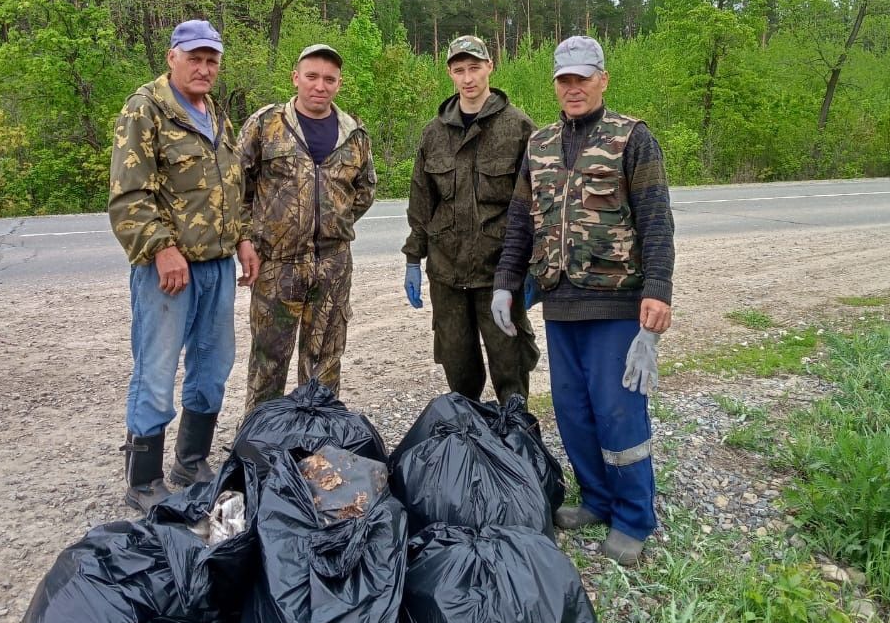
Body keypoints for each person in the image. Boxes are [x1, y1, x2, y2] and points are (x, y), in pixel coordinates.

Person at [491, 35, 675, 566]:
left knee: (618, 411)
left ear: (602, 79)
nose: (573, 88)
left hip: (617, 304)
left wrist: (658, 292)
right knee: (573, 411)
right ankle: (595, 498)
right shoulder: (540, 144)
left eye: (583, 78)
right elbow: (521, 223)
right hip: (559, 303)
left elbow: (657, 221)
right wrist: (507, 281)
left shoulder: (632, 138)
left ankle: (634, 516)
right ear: (555, 84)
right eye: (564, 80)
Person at [108, 19, 259, 513]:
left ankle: (191, 460)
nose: (204, 68)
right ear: (172, 57)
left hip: (217, 265)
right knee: (156, 368)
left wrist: (243, 239)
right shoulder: (145, 109)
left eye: (211, 59)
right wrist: (160, 249)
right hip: (167, 270)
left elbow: (229, 186)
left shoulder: (215, 114)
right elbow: (130, 194)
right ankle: (144, 478)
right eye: (194, 57)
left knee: (214, 366)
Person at [237, 43, 377, 414]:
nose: (320, 86)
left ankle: (316, 440)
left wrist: (331, 223)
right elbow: (236, 185)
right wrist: (247, 236)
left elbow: (364, 191)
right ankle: (259, 444)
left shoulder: (354, 134)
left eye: (329, 79)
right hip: (278, 264)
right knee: (269, 360)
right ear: (295, 77)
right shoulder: (266, 125)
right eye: (312, 76)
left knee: (325, 362)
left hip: (332, 264)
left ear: (339, 84)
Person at [402, 34, 539, 402]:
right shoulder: (433, 134)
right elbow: (421, 203)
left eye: (475, 68)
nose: (468, 78)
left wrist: (535, 265)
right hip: (446, 273)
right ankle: (470, 438)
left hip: (500, 272)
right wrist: (413, 259)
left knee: (509, 362)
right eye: (459, 70)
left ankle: (516, 432)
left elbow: (536, 205)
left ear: (490, 67)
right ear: (450, 73)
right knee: (458, 366)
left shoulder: (519, 129)